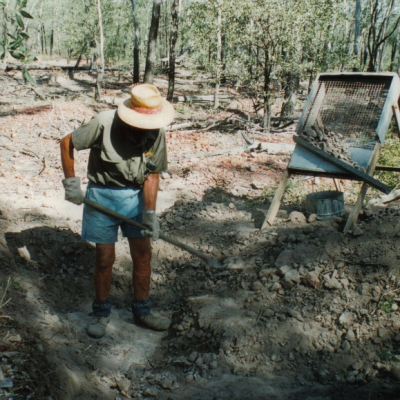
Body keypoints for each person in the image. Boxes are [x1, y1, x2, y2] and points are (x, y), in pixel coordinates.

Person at [60, 83, 175, 338]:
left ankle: (142, 311)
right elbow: (67, 142)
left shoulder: (156, 132)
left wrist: (150, 214)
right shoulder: (103, 123)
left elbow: (152, 175)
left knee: (143, 256)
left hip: (136, 197)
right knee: (104, 259)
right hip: (101, 196)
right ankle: (101, 313)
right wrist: (71, 183)